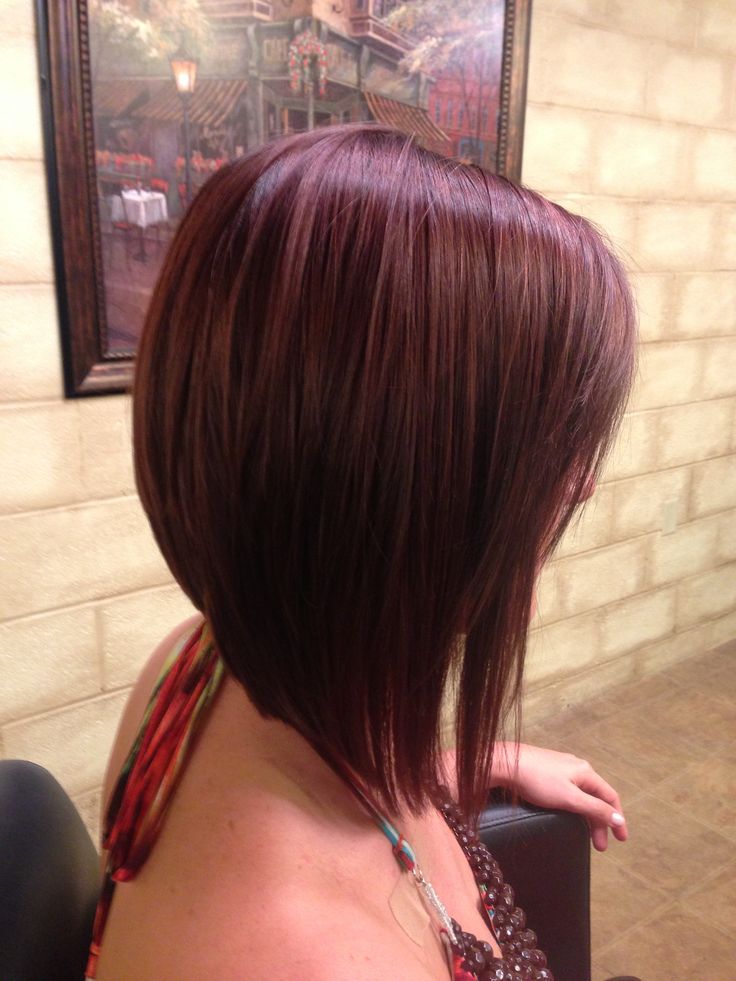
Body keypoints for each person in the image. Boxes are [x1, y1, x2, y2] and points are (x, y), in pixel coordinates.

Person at [90, 124, 636, 980]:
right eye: (548, 444)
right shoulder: (303, 957)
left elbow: (340, 817)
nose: (581, 483)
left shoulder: (201, 662)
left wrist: (463, 768)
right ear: (404, 487)